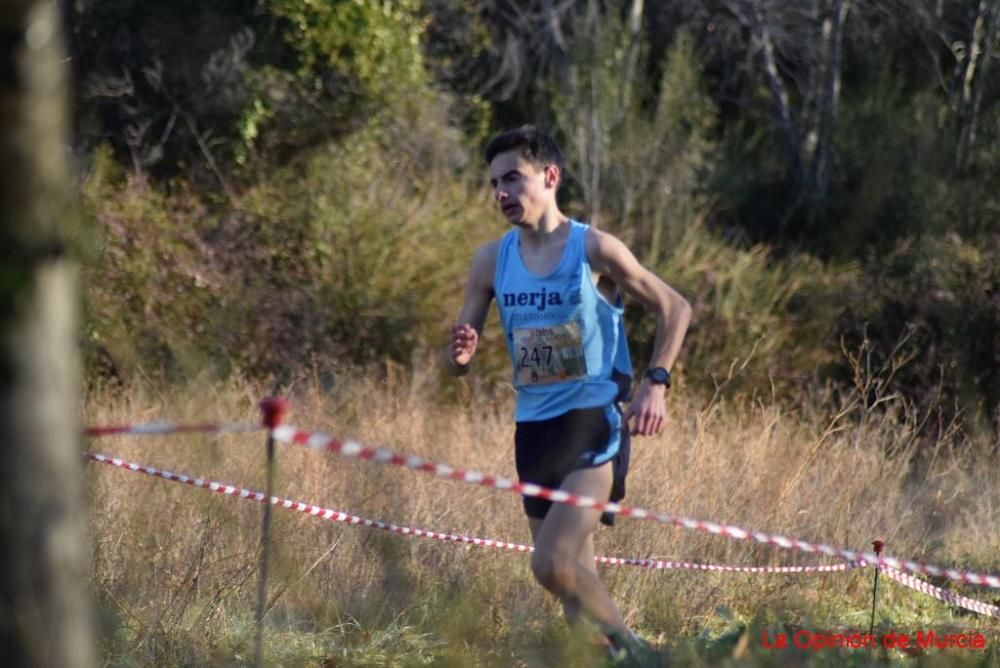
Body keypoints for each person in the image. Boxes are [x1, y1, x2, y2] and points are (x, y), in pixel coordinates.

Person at [444, 125, 691, 663]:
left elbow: (676, 307)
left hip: (592, 423)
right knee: (575, 583)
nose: (502, 193)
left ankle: (643, 654)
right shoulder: (491, 260)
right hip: (533, 432)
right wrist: (459, 353)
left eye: (513, 178)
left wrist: (657, 384)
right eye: (494, 184)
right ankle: (616, 657)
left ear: (549, 177)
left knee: (550, 564)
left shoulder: (594, 247)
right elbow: (456, 361)